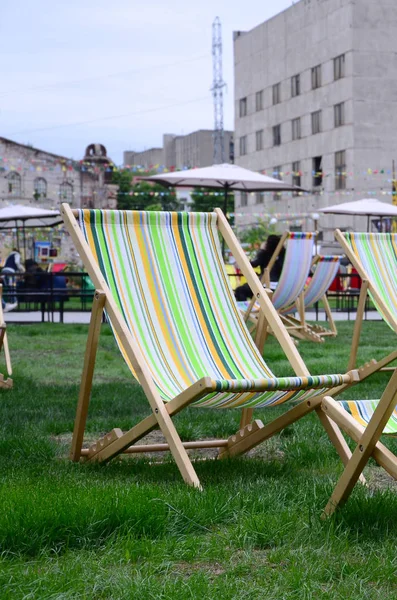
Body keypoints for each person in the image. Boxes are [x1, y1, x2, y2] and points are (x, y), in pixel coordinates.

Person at [234, 235, 285, 302]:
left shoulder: (264, 254)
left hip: (264, 288)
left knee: (239, 291)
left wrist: (261, 250)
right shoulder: (284, 256)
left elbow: (253, 264)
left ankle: (247, 309)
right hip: (280, 289)